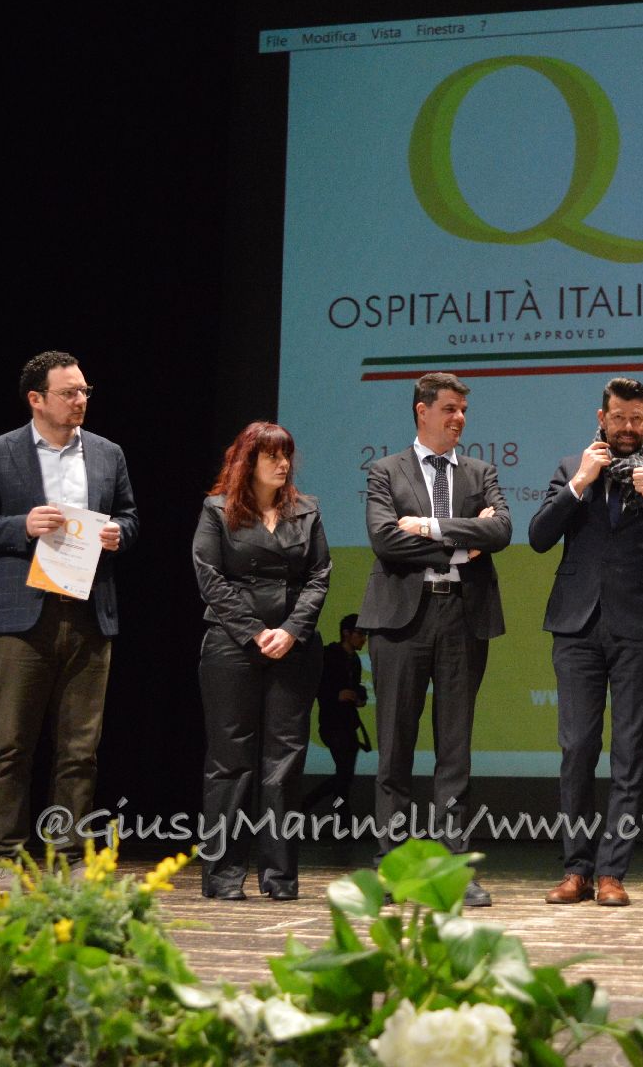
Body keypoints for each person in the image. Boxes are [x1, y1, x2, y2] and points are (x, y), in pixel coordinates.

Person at [0, 350, 137, 866]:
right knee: (11, 744)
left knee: (80, 749)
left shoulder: (107, 453)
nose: (80, 400)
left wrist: (118, 533)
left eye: (84, 391)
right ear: (37, 399)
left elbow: (129, 516)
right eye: (69, 392)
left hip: (88, 612)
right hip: (21, 617)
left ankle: (69, 855)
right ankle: (5, 856)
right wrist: (22, 526)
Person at [528, 377, 643, 907]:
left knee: (629, 753)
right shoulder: (571, 470)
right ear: (601, 419)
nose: (626, 427)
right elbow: (538, 537)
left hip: (640, 630)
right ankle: (576, 868)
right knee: (577, 748)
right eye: (618, 418)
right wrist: (580, 481)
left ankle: (611, 873)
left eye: (636, 419)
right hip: (576, 627)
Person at [357, 371, 510, 907]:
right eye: (449, 408)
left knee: (454, 750)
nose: (459, 418)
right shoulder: (385, 470)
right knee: (395, 748)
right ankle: (393, 864)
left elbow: (501, 531)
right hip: (401, 620)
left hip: (462, 617)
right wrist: (463, 543)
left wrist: (426, 527)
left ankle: (454, 868)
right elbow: (384, 539)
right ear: (422, 410)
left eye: (463, 409)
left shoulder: (481, 472)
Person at [191, 422, 330, 900]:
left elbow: (319, 576)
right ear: (248, 461)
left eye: (286, 454)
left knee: (284, 763)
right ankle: (223, 875)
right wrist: (254, 632)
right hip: (232, 646)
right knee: (230, 761)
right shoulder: (217, 510)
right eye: (272, 455)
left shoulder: (306, 510)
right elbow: (209, 576)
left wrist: (291, 630)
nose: (283, 463)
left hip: (294, 647)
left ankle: (280, 877)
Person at [305, 614, 370, 821]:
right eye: (360, 634)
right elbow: (316, 685)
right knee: (344, 776)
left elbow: (357, 688)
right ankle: (336, 818)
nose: (364, 639)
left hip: (348, 725)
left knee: (344, 777)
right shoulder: (330, 655)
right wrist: (336, 695)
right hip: (332, 724)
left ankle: (337, 819)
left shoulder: (355, 661)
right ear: (346, 633)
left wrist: (358, 697)